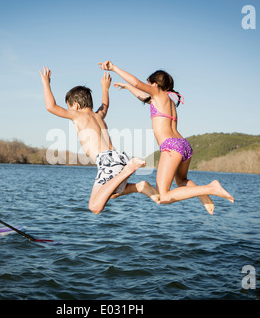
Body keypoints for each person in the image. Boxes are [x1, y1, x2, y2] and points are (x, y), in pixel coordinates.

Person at [98, 61, 234, 214]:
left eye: (149, 85)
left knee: (162, 196)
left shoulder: (157, 94)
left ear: (154, 85)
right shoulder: (166, 100)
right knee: (181, 181)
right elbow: (143, 97)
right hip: (184, 145)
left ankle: (211, 187)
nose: (148, 89)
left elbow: (137, 83)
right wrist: (128, 87)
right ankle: (204, 196)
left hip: (171, 146)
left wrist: (114, 68)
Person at [39, 67, 160, 214]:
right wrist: (105, 88)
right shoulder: (98, 116)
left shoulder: (77, 116)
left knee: (95, 207)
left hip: (107, 161)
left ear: (75, 106)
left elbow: (50, 107)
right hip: (118, 156)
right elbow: (105, 105)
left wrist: (46, 83)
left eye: (69, 107)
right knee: (111, 193)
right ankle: (139, 187)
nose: (69, 110)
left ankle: (129, 169)